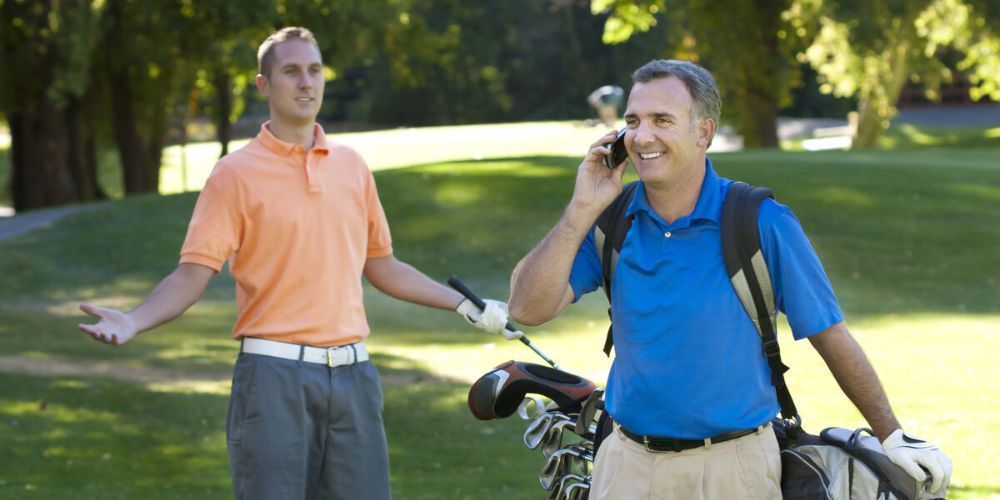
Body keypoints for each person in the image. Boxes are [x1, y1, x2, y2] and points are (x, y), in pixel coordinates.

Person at [77, 27, 515, 500]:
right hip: (272, 380)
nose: (306, 82)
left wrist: (466, 306)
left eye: (314, 70)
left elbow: (383, 265)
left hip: (355, 377)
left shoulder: (352, 166)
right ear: (264, 85)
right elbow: (191, 274)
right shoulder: (234, 175)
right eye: (291, 71)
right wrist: (135, 320)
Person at [507, 59, 952, 499]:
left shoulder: (759, 222)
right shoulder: (611, 219)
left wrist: (890, 434)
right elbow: (527, 309)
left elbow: (830, 336)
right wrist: (582, 208)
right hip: (624, 464)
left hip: (733, 469)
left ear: (704, 132)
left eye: (662, 120)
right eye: (633, 121)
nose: (643, 137)